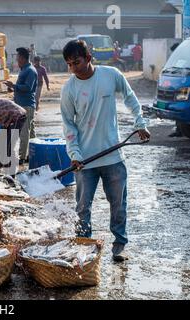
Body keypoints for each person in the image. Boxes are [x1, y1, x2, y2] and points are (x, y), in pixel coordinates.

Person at [60, 40, 150, 262]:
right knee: (82, 208)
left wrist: (140, 123)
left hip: (113, 157)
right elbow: (68, 125)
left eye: (77, 62)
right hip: (84, 161)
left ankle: (119, 245)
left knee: (118, 205)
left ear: (88, 58)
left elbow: (130, 97)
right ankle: (84, 246)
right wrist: (74, 154)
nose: (73, 68)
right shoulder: (69, 88)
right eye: (69, 64)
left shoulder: (111, 75)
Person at [4, 47, 38, 164]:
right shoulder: (24, 70)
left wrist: (14, 86)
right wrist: (13, 88)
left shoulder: (30, 71)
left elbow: (28, 88)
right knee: (31, 131)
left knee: (24, 131)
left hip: (26, 105)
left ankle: (22, 157)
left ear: (23, 58)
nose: (17, 61)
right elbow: (21, 87)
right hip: (22, 104)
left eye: (18, 58)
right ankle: (33, 154)